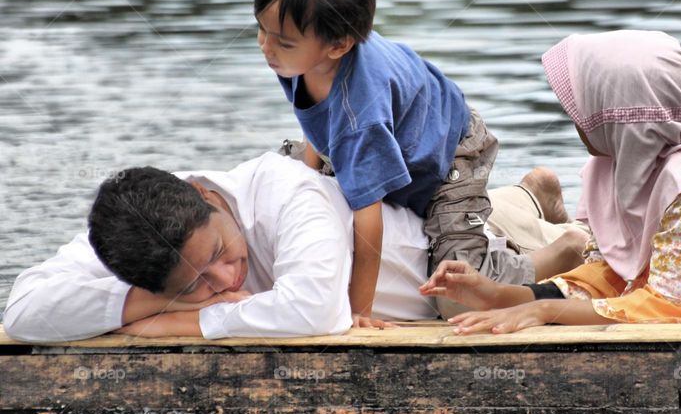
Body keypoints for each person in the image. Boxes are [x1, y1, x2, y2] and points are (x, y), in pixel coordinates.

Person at [423, 30, 681, 332]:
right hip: (675, 276)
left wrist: (545, 311)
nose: (577, 120)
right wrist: (501, 294)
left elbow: (664, 305)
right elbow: (609, 276)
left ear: (622, 118)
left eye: (585, 109)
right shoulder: (618, 165)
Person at [2, 153, 585, 344]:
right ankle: (528, 194)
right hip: (437, 230)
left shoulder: (287, 191)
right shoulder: (135, 227)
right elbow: (23, 310)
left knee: (561, 244)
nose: (225, 281)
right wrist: (148, 305)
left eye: (220, 253)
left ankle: (548, 215)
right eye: (194, 285)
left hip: (467, 250)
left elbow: (317, 312)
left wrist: (184, 319)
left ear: (205, 194)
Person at [254, 0, 531, 327]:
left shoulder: (360, 114)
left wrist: (357, 313)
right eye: (261, 29)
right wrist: (310, 173)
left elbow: (368, 225)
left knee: (458, 294)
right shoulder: (298, 57)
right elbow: (315, 121)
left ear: (339, 45)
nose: (265, 47)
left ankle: (554, 254)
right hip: (398, 135)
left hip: (450, 156)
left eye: (281, 41)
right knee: (279, 174)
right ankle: (531, 195)